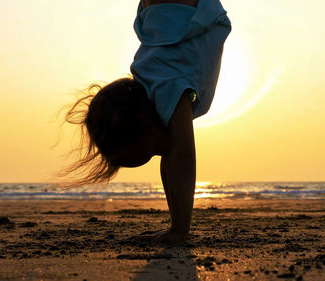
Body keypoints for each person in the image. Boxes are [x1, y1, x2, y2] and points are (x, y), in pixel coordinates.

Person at [60, 0, 231, 242]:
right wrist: (176, 225)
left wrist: (179, 231)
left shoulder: (168, 89)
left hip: (176, 12)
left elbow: (182, 156)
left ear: (140, 127)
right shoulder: (154, 87)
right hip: (161, 15)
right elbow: (172, 155)